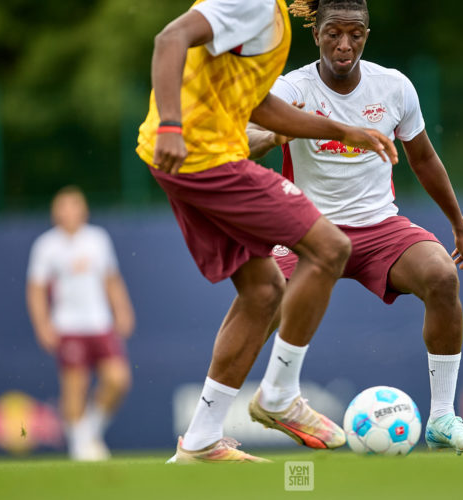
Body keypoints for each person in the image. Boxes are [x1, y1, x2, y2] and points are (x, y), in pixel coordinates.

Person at [136, 0, 398, 463]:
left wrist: (342, 129)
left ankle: (199, 442)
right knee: (330, 247)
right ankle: (278, 394)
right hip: (205, 157)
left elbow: (257, 105)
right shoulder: (252, 2)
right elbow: (169, 40)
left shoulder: (269, 14)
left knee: (262, 290)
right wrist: (173, 125)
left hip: (190, 159)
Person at [246, 0, 463, 455]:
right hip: (309, 229)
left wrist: (459, 225)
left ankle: (440, 418)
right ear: (315, 33)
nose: (344, 44)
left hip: (380, 227)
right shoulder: (291, 89)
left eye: (355, 34)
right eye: (333, 33)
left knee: (441, 275)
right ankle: (216, 422)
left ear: (367, 35)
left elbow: (424, 158)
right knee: (262, 301)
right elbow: (248, 140)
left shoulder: (394, 87)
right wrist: (279, 132)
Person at [26, 186, 135, 461]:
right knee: (76, 386)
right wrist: (42, 325)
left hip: (100, 324)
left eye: (74, 205)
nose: (69, 212)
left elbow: (111, 278)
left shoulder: (98, 239)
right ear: (55, 212)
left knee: (118, 379)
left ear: (84, 210)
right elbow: (36, 289)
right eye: (63, 206)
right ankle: (80, 448)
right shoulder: (46, 245)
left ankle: (88, 433)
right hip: (68, 327)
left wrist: (122, 310)